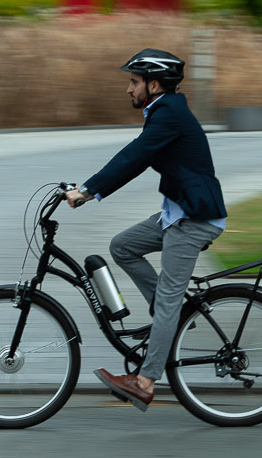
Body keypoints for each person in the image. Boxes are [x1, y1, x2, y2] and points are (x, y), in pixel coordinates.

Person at [66, 48, 227, 411]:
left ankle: (144, 381)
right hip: (177, 213)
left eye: (134, 82)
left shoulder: (168, 113)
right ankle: (169, 319)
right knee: (123, 246)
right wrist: (89, 188)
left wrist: (87, 191)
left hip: (194, 219)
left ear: (154, 85)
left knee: (170, 299)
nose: (128, 90)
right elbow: (136, 159)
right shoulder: (163, 112)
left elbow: (133, 157)